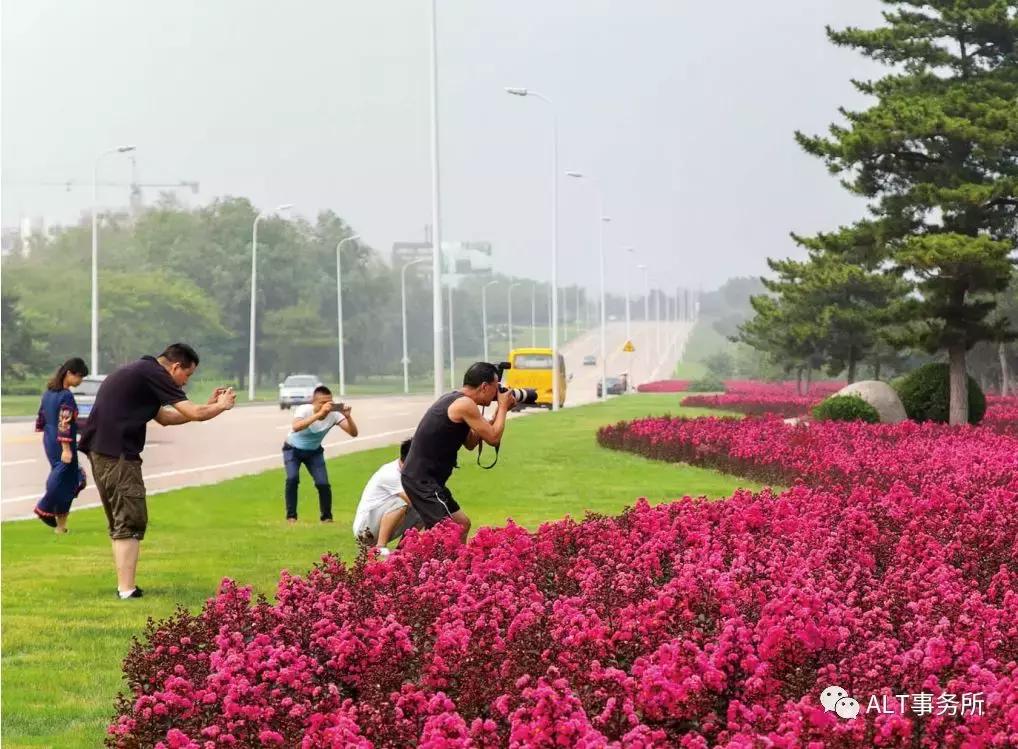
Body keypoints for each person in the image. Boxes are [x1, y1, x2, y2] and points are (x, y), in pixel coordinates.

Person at [78, 343, 236, 600]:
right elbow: (192, 412)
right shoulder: (154, 373)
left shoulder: (141, 372)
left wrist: (208, 406)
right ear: (175, 366)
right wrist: (221, 406)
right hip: (117, 453)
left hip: (104, 450)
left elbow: (165, 418)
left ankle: (126, 586)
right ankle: (126, 590)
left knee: (124, 519)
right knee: (130, 519)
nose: (185, 383)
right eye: (188, 375)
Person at [400, 362, 515, 541]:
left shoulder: (457, 399)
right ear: (484, 386)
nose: (497, 393)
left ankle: (455, 566)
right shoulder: (464, 404)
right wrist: (503, 408)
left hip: (429, 479)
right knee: (447, 535)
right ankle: (418, 564)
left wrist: (492, 418)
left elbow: (470, 443)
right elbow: (493, 439)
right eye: (496, 387)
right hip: (421, 480)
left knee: (461, 524)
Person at [282, 385, 358, 524]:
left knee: (323, 483)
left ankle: (327, 518)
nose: (327, 406)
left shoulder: (334, 415)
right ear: (313, 402)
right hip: (292, 449)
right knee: (292, 479)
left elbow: (353, 433)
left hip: (314, 452)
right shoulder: (304, 410)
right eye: (322, 402)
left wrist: (348, 417)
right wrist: (319, 415)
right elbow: (296, 427)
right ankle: (291, 517)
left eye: (329, 402)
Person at [33, 357, 90, 533]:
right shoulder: (66, 396)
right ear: (69, 373)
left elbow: (42, 416)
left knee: (68, 480)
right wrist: (66, 449)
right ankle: (44, 507)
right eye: (79, 376)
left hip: (50, 438)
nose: (80, 381)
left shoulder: (49, 393)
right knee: (68, 478)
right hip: (63, 441)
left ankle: (61, 527)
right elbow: (64, 423)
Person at [352, 439, 423, 557]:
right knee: (403, 502)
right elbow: (412, 500)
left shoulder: (411, 473)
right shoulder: (390, 473)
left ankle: (401, 554)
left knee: (422, 514)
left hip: (380, 524)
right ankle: (381, 548)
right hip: (365, 530)